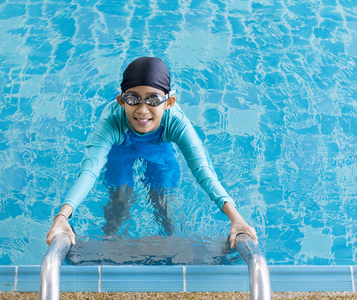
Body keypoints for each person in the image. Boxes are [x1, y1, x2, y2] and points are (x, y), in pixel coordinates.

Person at [46, 57, 258, 249]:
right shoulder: (112, 120)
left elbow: (203, 171)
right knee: (118, 205)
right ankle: (108, 246)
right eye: (133, 99)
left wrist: (236, 218)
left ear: (169, 102)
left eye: (153, 100)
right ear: (121, 101)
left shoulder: (175, 121)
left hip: (159, 148)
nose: (142, 109)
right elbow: (90, 170)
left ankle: (172, 250)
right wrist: (62, 216)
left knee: (165, 206)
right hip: (121, 149)